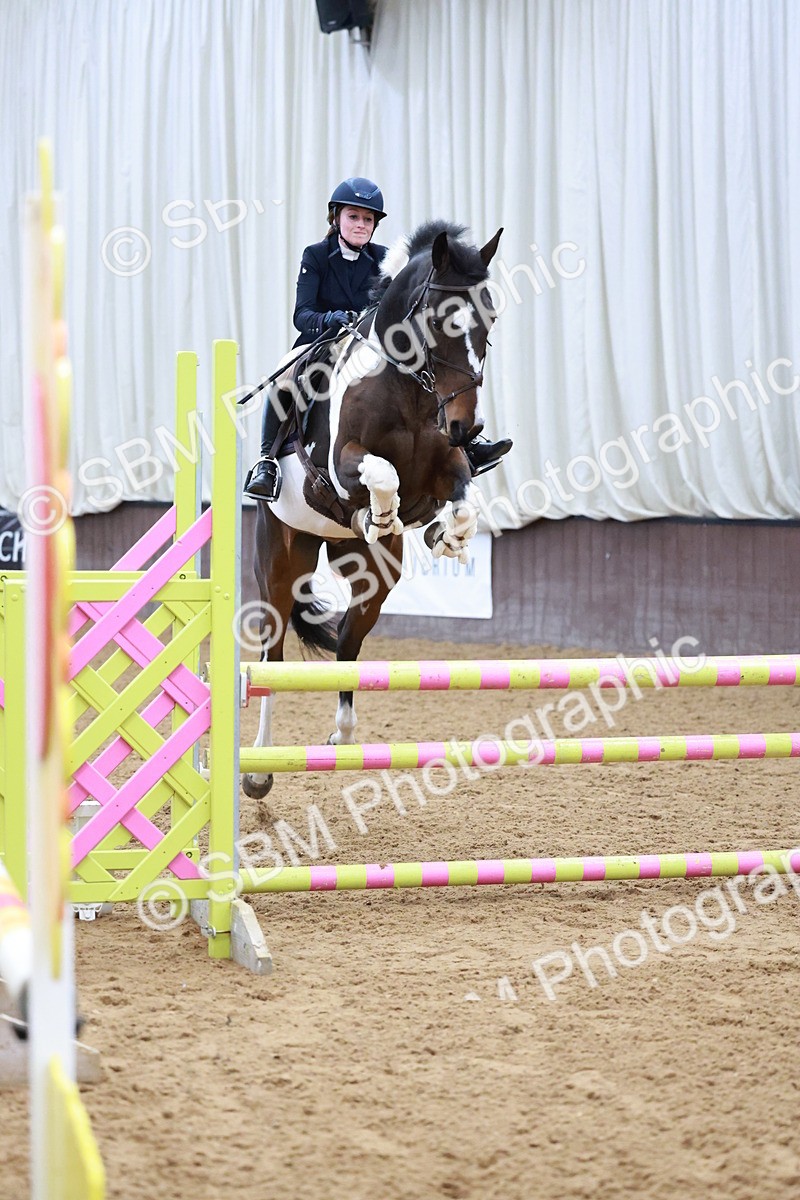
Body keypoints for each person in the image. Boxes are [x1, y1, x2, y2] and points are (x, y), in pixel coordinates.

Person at [244, 177, 511, 501]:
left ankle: (464, 444)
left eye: (367, 219)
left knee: (425, 369)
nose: (360, 224)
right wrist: (331, 318)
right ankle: (267, 462)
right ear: (336, 218)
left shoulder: (384, 257)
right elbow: (302, 313)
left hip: (371, 341)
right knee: (286, 372)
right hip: (325, 338)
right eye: (353, 217)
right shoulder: (315, 256)